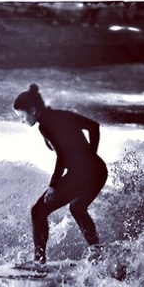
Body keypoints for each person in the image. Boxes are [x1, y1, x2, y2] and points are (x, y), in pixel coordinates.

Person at [13, 83, 108, 265]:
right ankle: (96, 252)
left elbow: (62, 156)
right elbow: (94, 127)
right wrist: (91, 156)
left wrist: (53, 185)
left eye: (22, 117)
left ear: (32, 110)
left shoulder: (46, 125)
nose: (22, 122)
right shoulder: (60, 115)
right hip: (98, 170)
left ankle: (39, 261)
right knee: (77, 208)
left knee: (38, 212)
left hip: (85, 173)